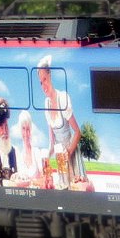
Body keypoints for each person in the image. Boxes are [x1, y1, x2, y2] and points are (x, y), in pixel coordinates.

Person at [37, 55, 87, 190]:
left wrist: (69, 151)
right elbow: (52, 143)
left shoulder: (62, 98)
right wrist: (46, 157)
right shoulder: (46, 104)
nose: (43, 85)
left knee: (78, 190)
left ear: (50, 76)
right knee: (65, 190)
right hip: (61, 160)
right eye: (40, 82)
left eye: (45, 79)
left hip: (71, 154)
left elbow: (77, 132)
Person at [13, 109, 44, 185]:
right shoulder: (19, 155)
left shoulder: (36, 152)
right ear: (20, 130)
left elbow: (44, 179)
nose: (26, 133)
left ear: (31, 130)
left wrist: (30, 182)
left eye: (28, 129)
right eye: (23, 129)